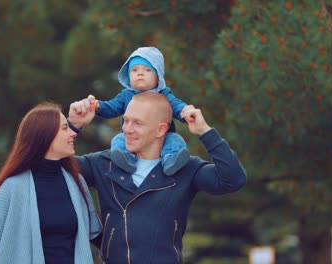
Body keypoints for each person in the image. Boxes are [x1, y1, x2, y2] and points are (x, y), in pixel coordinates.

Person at [69, 92, 247, 263]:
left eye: (137, 123)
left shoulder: (186, 169)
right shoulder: (103, 163)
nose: (127, 129)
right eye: (126, 121)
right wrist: (73, 126)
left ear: (161, 129)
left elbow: (233, 179)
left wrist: (205, 132)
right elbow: (54, 164)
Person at [0, 102, 102, 264]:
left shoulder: (77, 183)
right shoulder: (12, 187)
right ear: (44, 136)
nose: (73, 133)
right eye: (64, 128)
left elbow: (98, 237)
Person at [94, 46, 190, 175]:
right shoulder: (126, 95)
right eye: (134, 70)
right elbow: (112, 107)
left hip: (162, 137)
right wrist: (98, 106)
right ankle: (127, 158)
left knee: (176, 140)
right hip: (131, 138)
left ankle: (170, 161)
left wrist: (185, 111)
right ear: (128, 75)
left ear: (158, 76)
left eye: (147, 70)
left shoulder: (164, 94)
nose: (140, 73)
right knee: (118, 139)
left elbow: (176, 105)